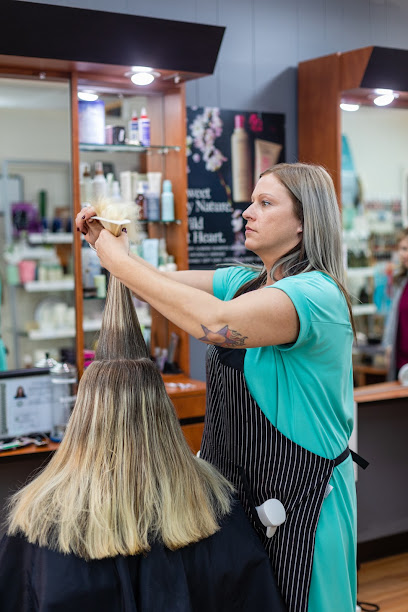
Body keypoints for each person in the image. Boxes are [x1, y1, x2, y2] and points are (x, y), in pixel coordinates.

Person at [76, 162, 359, 612]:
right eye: (251, 201)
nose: (248, 212)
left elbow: (214, 323)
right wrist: (110, 245)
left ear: (305, 221)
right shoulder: (244, 282)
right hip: (236, 497)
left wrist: (121, 264)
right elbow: (158, 286)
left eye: (265, 204)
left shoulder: (315, 296)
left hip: (303, 500)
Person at [0, 274, 285, 611]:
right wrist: (122, 265)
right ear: (161, 413)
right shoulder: (213, 506)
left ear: (85, 416)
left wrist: (120, 264)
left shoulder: (39, 517)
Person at [383, 227, 408, 380]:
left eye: (406, 249)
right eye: (402, 249)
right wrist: (388, 345)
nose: (402, 254)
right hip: (400, 365)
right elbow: (394, 319)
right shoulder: (401, 283)